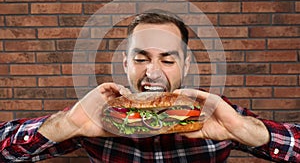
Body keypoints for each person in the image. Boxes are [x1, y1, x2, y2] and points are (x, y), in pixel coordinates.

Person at [0, 10, 299, 162]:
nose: (153, 72)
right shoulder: (97, 114)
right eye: (141, 58)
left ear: (187, 66)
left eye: (168, 61)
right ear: (125, 65)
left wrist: (249, 131)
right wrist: (65, 124)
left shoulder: (216, 113)